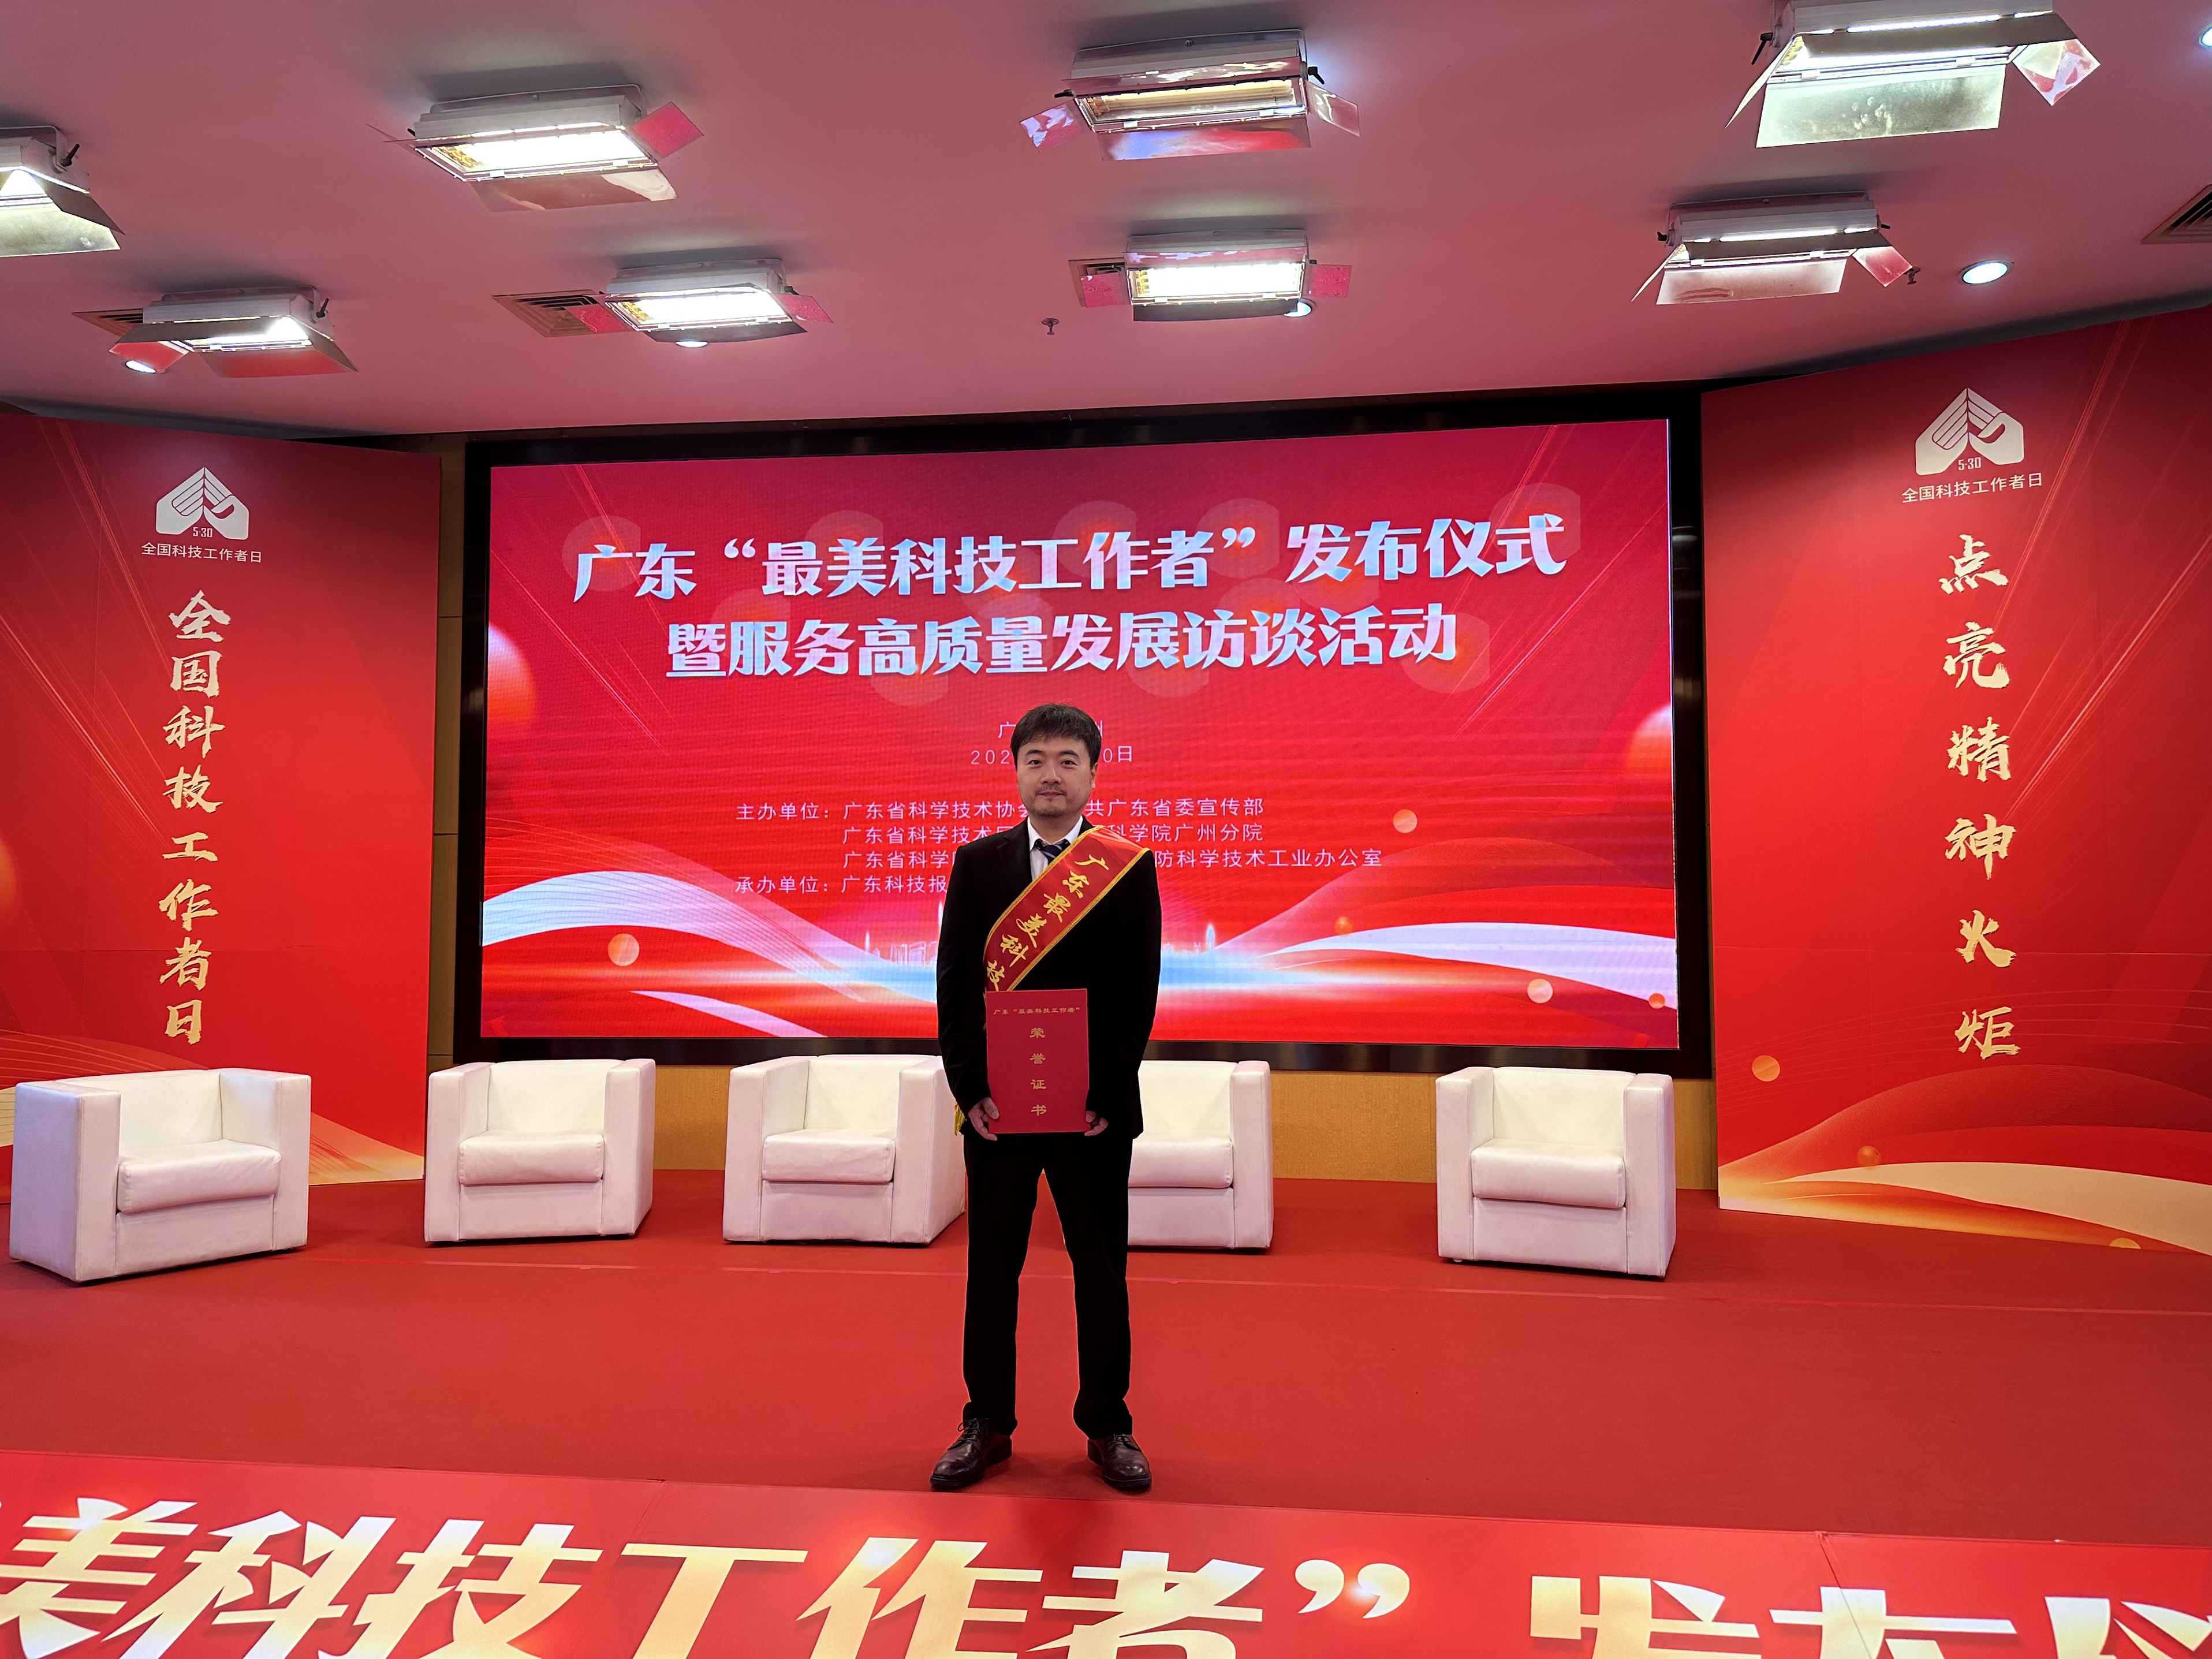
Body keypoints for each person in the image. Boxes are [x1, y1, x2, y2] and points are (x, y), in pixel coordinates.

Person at [930, 702, 1163, 1493]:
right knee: (992, 1270)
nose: (1051, 775)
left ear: (1094, 772)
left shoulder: (1125, 867)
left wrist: (1107, 1091)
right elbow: (956, 984)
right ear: (1017, 772)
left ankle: (1109, 1423)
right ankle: (986, 1421)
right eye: (1036, 760)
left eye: (1068, 760)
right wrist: (971, 1088)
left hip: (1093, 1113)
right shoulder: (979, 863)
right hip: (1000, 1112)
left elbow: (1137, 991)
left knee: (1100, 1270)